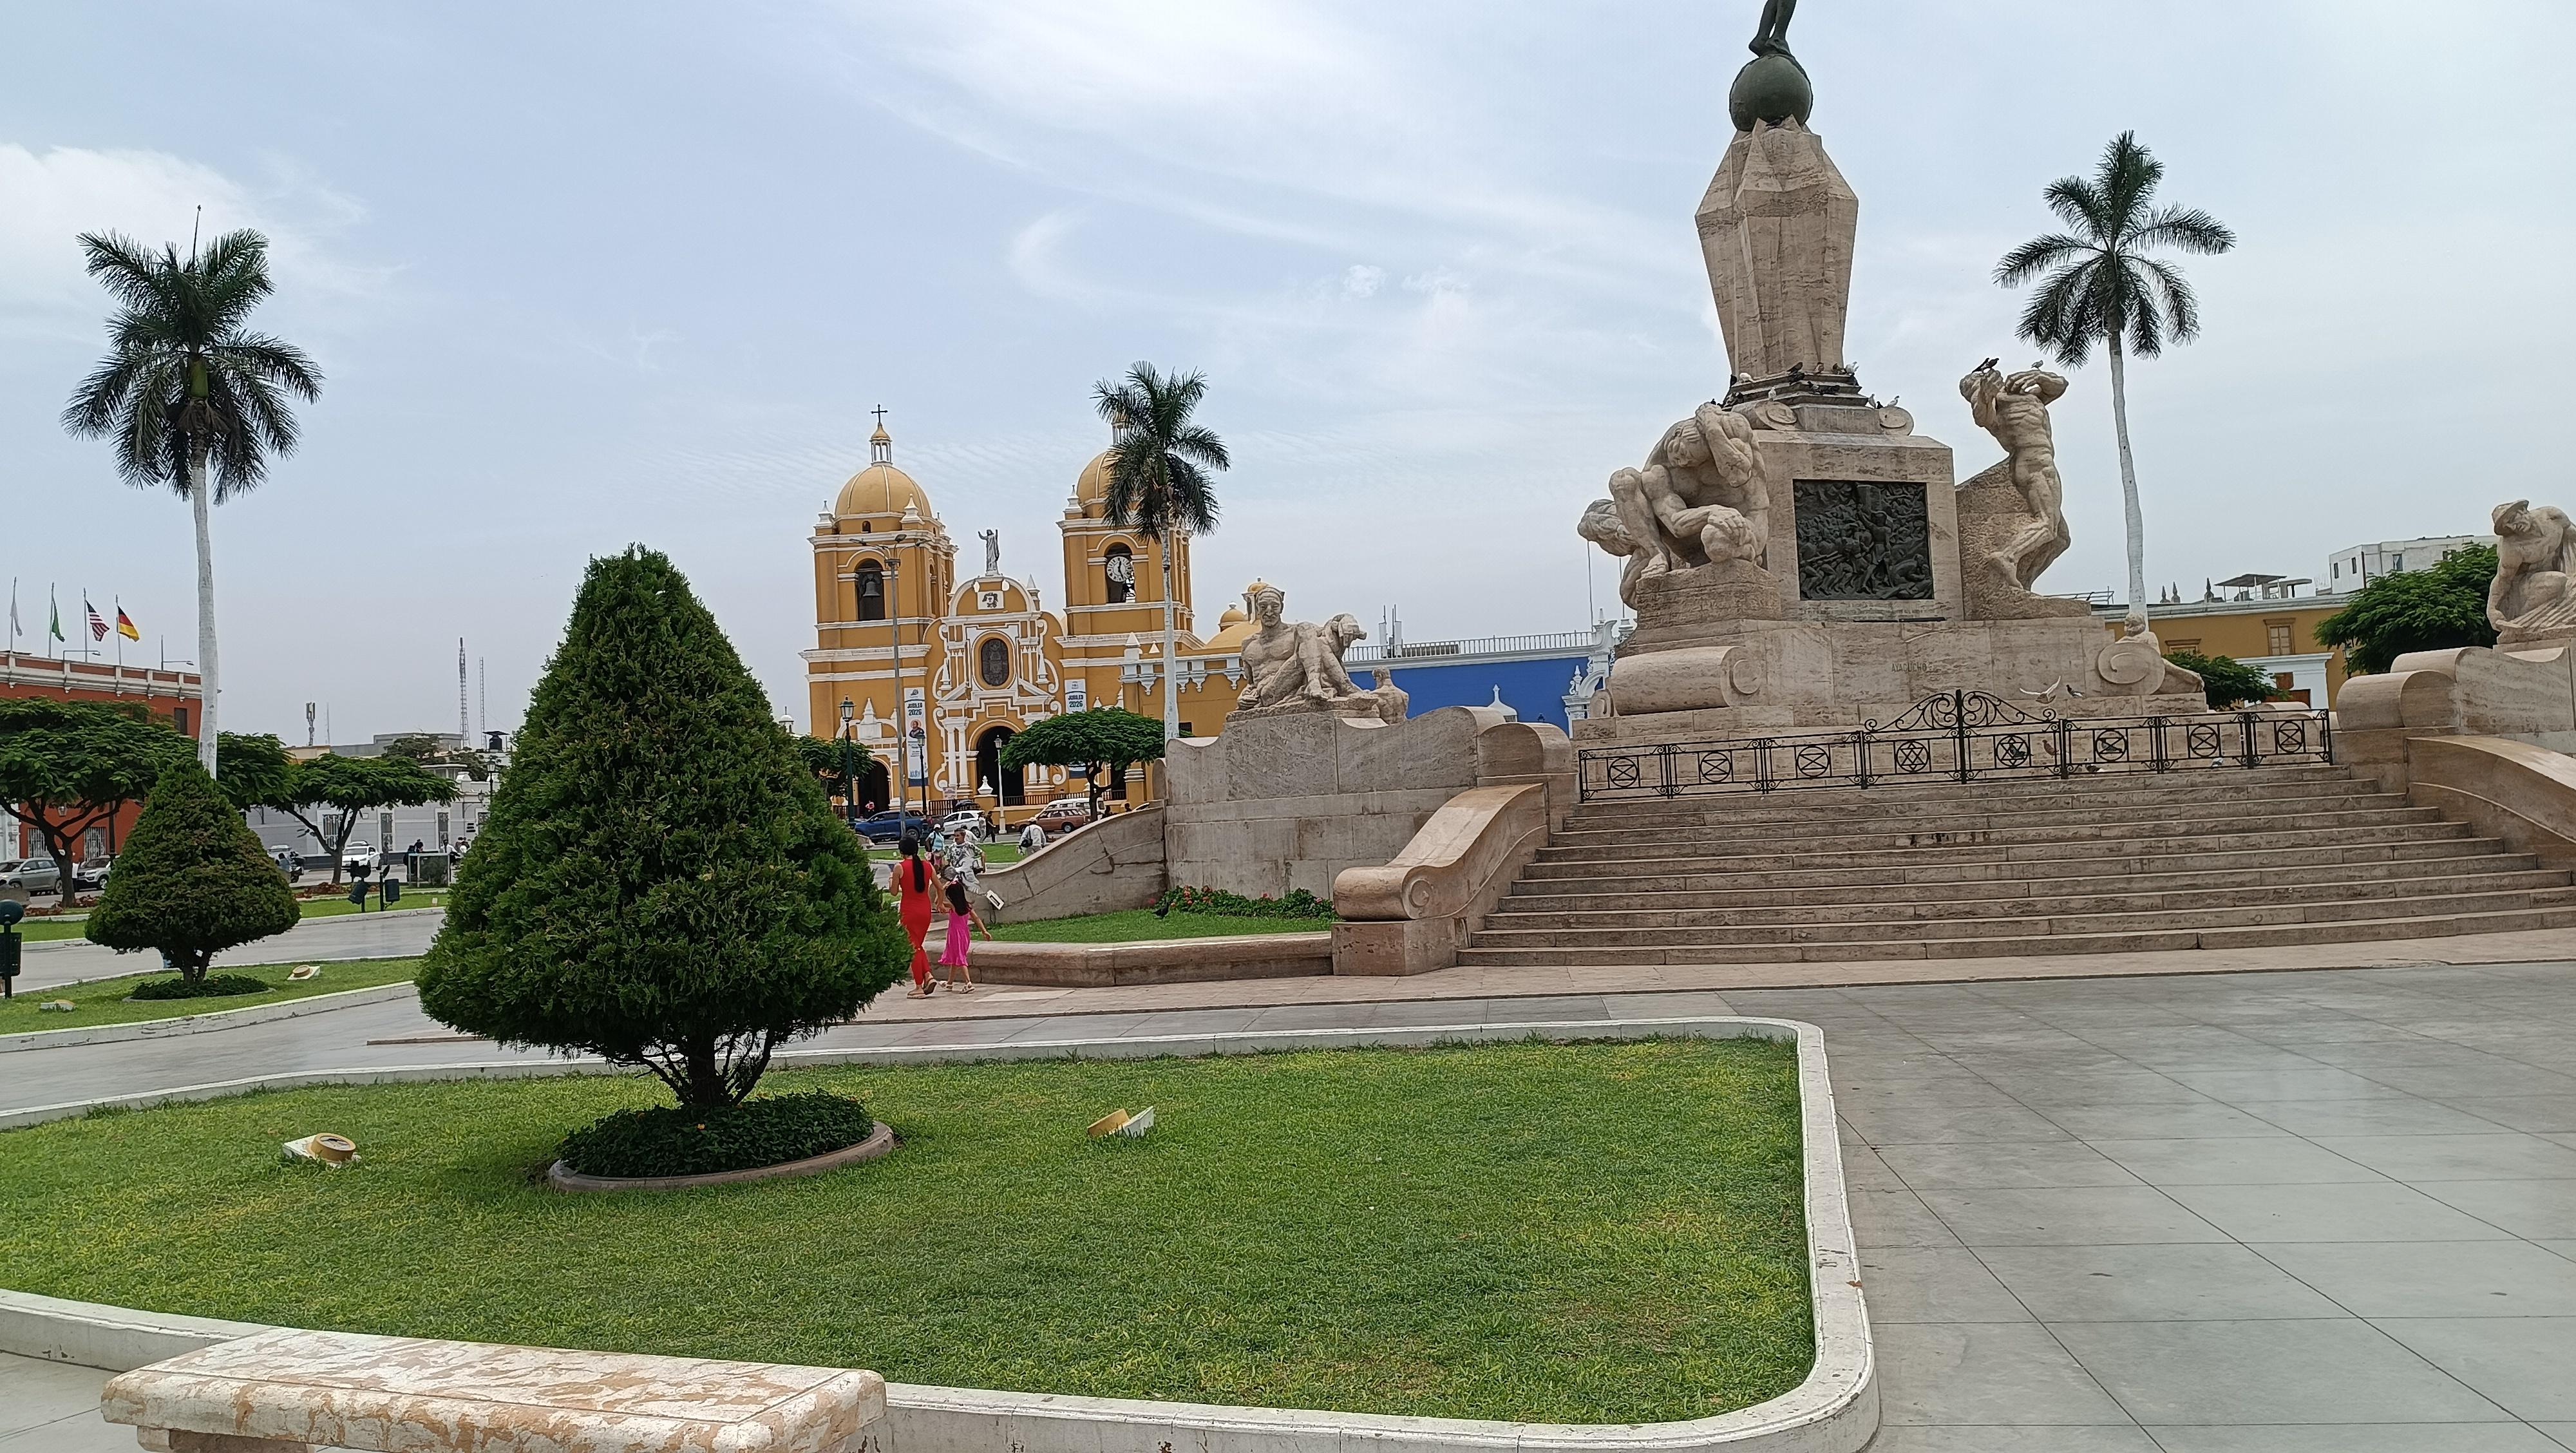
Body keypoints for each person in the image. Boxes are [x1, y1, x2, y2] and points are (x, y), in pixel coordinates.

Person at [893, 834, 939, 997]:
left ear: (901, 851)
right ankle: (928, 975)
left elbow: (893, 892)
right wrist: (939, 903)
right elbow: (940, 887)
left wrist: (893, 882)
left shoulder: (900, 867)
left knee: (913, 948)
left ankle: (919, 986)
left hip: (909, 912)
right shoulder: (927, 866)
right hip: (925, 911)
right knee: (918, 946)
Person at [936, 876, 988, 992]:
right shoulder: (967, 907)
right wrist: (984, 931)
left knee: (960, 958)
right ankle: (949, 983)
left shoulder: (953, 907)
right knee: (956, 957)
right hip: (965, 935)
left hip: (955, 935)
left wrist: (942, 889)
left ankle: (968, 983)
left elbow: (937, 902)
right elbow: (977, 918)